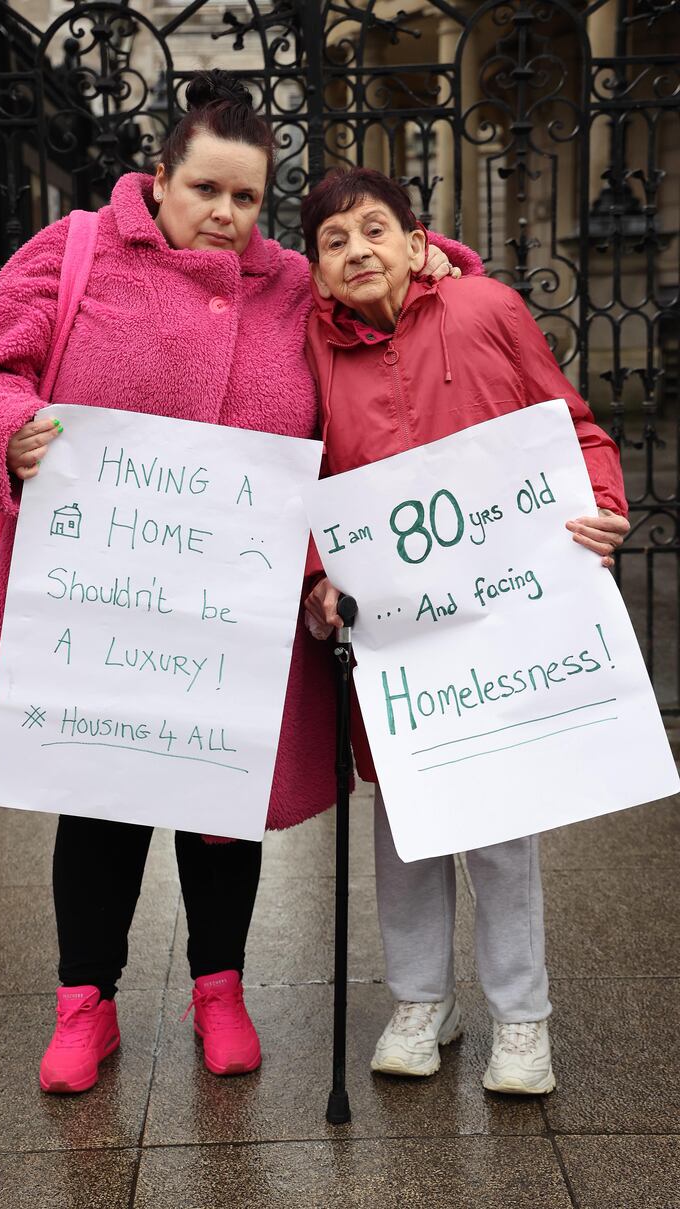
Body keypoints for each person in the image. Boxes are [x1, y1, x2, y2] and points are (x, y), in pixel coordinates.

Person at [0, 77, 481, 1095]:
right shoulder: (72, 252)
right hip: (99, 602)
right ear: (160, 178)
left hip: (237, 602)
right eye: (206, 190)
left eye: (247, 198)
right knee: (98, 800)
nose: (225, 216)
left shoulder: (286, 280)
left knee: (222, 804)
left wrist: (444, 259)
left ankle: (218, 990)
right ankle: (82, 1005)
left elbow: (381, 289)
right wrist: (9, 432)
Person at [300, 167, 629, 1095]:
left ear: (416, 241)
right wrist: (319, 576)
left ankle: (521, 1019)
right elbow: (308, 486)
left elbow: (574, 430)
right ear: (318, 273)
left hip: (500, 622)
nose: (358, 249)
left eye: (374, 229)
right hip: (394, 634)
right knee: (404, 823)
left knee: (501, 821)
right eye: (334, 241)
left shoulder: (487, 310)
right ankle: (421, 1000)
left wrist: (600, 504)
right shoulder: (312, 354)